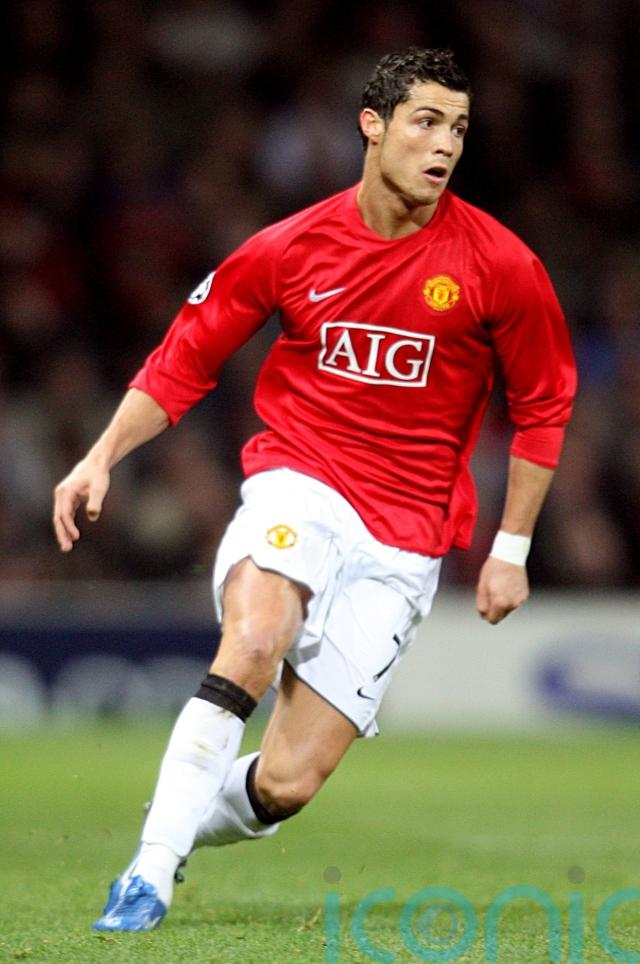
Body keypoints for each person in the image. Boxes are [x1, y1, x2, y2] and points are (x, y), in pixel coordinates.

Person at [52, 47, 577, 932]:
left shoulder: (502, 264)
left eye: (458, 128)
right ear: (372, 126)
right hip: (301, 485)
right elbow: (187, 357)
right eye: (425, 122)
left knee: (288, 784)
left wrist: (512, 549)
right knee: (256, 638)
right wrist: (101, 455)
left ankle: (172, 817)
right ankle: (149, 874)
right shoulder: (291, 246)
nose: (445, 144)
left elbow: (545, 404)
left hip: (406, 536)